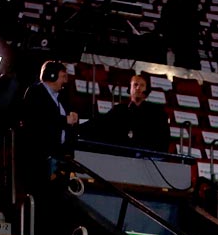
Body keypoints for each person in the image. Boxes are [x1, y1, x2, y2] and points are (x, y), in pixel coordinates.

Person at [15, 60, 80, 198]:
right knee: (40, 196)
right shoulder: (35, 92)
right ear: (51, 76)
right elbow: (37, 119)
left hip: (57, 157)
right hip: (39, 159)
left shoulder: (60, 97)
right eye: (63, 76)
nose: (65, 81)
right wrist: (64, 120)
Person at [84, 72, 169, 153]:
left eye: (142, 85)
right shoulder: (119, 109)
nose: (138, 88)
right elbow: (102, 123)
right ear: (130, 88)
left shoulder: (155, 113)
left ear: (146, 90)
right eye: (135, 85)